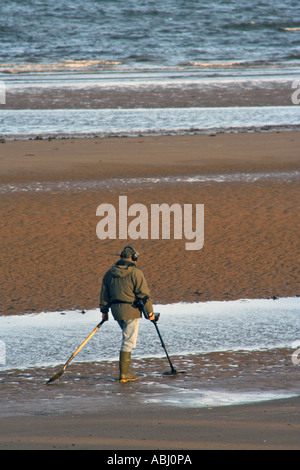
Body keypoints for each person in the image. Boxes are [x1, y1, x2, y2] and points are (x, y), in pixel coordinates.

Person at [99, 246, 155, 383]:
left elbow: (104, 295)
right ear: (133, 258)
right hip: (131, 310)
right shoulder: (136, 273)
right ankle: (124, 374)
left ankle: (125, 371)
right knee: (128, 341)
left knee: (127, 337)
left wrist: (104, 311)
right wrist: (150, 313)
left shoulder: (109, 273)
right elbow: (144, 296)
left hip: (116, 311)